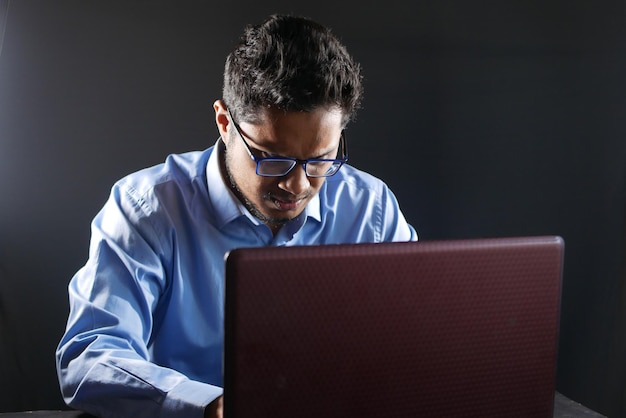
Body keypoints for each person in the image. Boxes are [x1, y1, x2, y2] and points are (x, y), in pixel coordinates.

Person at [56, 13, 417, 418]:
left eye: (320, 159)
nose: (297, 185)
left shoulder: (372, 209)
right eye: (272, 158)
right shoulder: (146, 210)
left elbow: (415, 342)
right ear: (225, 122)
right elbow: (89, 358)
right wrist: (212, 407)